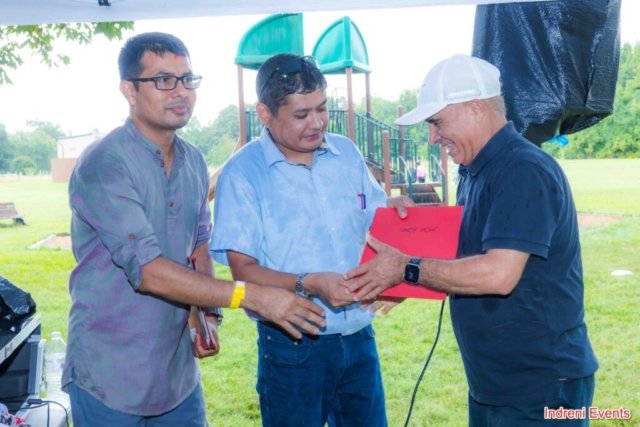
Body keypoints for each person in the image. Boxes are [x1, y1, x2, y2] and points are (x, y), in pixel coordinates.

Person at [64, 33, 324, 427]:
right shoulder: (105, 162)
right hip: (109, 374)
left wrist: (209, 315)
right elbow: (148, 271)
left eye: (187, 79)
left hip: (177, 376)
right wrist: (252, 295)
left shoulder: (193, 160)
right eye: (163, 80)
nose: (180, 91)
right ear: (129, 90)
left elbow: (199, 244)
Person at [345, 54, 598, 426]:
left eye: (437, 122)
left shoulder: (522, 170)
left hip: (540, 387)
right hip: (497, 384)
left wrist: (406, 269)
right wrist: (402, 271)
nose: (433, 137)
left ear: (476, 108)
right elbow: (464, 254)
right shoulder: (476, 170)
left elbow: (498, 274)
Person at [209, 53, 410, 427]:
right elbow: (243, 271)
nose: (317, 123)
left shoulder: (346, 153)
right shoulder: (242, 173)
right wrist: (310, 283)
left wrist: (398, 215)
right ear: (265, 114)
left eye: (322, 109)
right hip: (292, 343)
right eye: (302, 114)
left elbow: (376, 223)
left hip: (359, 335)